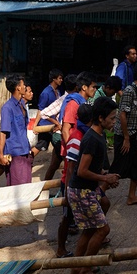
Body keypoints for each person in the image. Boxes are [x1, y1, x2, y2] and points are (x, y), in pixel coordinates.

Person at [67, 97, 120, 274]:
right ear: (100, 117)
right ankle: (85, 269)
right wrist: (105, 177)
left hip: (83, 190)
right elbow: (82, 171)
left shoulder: (98, 136)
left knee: (89, 230)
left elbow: (90, 168)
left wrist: (105, 174)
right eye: (112, 118)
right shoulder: (92, 139)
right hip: (82, 191)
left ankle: (76, 269)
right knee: (102, 230)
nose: (114, 122)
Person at [56, 104, 111, 257]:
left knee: (104, 205)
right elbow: (72, 169)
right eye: (112, 118)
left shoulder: (92, 135)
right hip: (72, 184)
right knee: (67, 218)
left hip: (84, 185)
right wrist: (67, 192)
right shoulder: (78, 138)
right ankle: (61, 249)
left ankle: (81, 262)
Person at [111, 61, 137, 205]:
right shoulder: (128, 91)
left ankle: (132, 196)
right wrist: (126, 138)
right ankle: (100, 192)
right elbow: (122, 115)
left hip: (134, 135)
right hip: (124, 136)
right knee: (118, 167)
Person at [0, 73, 33, 185]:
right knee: (19, 187)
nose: (25, 87)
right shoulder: (8, 108)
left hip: (25, 150)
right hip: (15, 153)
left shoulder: (22, 105)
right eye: (23, 84)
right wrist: (1, 154)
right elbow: (3, 133)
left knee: (26, 186)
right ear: (18, 87)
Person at [36, 69, 65, 181]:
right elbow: (41, 110)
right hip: (47, 125)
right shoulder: (46, 93)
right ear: (54, 79)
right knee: (41, 145)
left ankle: (45, 184)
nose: (61, 80)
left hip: (53, 125)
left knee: (54, 162)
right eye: (59, 78)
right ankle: (28, 158)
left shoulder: (57, 92)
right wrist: (36, 126)